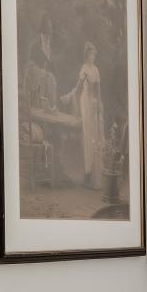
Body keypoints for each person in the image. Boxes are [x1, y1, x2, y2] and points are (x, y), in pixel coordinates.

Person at [63, 41, 105, 187]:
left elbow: (98, 90)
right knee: (87, 135)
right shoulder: (84, 68)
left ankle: (94, 172)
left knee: (95, 135)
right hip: (85, 102)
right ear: (86, 55)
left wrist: (99, 104)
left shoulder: (96, 70)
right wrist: (73, 103)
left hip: (93, 103)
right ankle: (87, 171)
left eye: (94, 54)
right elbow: (78, 88)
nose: (92, 56)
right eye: (90, 54)